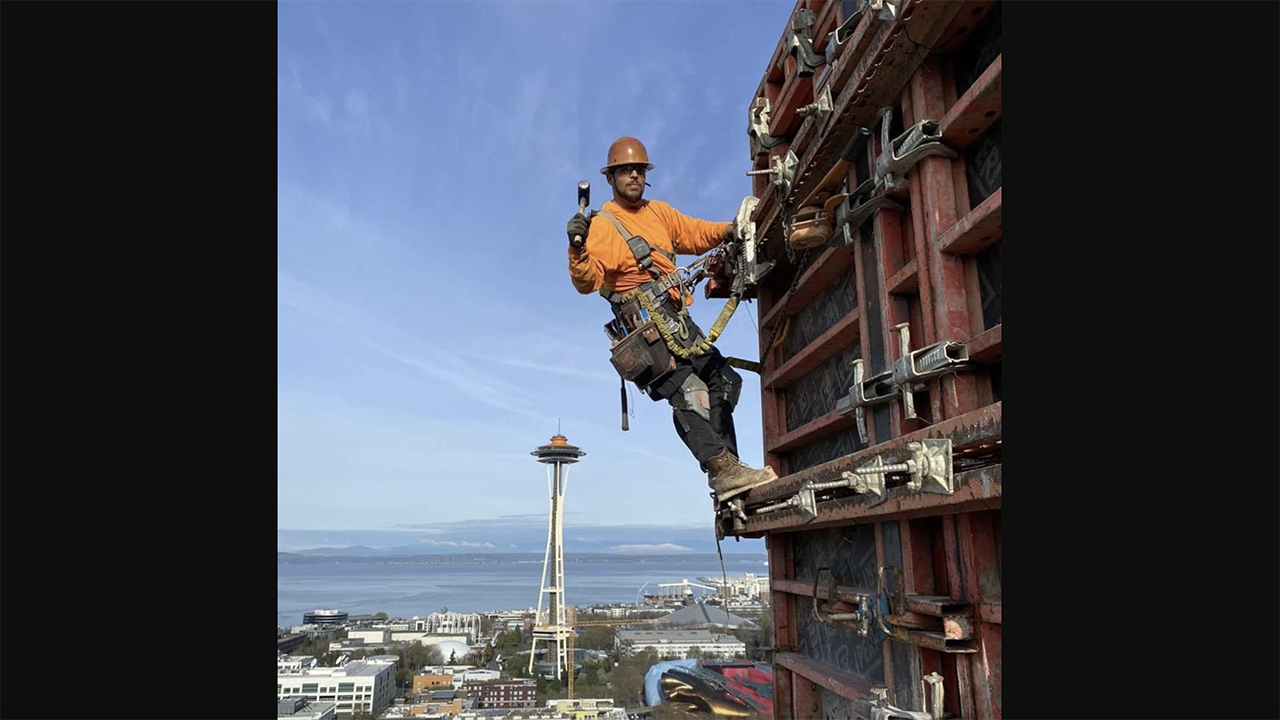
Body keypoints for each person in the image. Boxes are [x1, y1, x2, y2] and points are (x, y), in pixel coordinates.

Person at [565, 136, 777, 503]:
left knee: (724, 381)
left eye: (638, 170)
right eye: (624, 170)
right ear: (611, 179)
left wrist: (730, 230)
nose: (633, 175)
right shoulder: (602, 226)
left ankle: (731, 470)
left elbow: (694, 233)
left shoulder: (659, 212)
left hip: (676, 318)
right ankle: (721, 469)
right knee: (690, 393)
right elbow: (587, 282)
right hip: (644, 326)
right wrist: (578, 248)